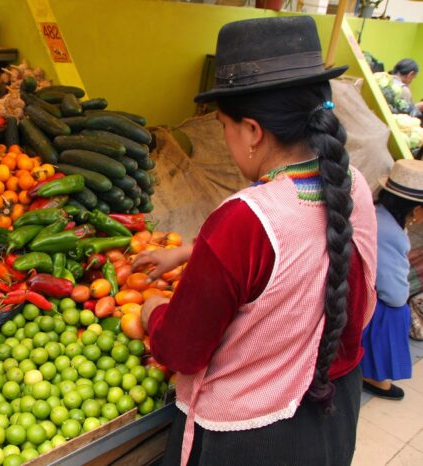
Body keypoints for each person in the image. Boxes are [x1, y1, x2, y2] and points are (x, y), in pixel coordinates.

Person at [133, 16, 378, 466]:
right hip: (335, 409)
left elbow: (182, 351)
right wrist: (190, 251)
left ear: (252, 131)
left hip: (252, 437)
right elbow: (306, 246)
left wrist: (153, 314)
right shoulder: (353, 185)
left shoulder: (243, 222)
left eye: (223, 124)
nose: (224, 136)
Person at [361, 159, 423, 399]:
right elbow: (395, 294)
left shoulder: (377, 213)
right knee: (397, 312)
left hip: (350, 286)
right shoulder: (390, 233)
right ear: (416, 210)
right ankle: (374, 374)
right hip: (358, 296)